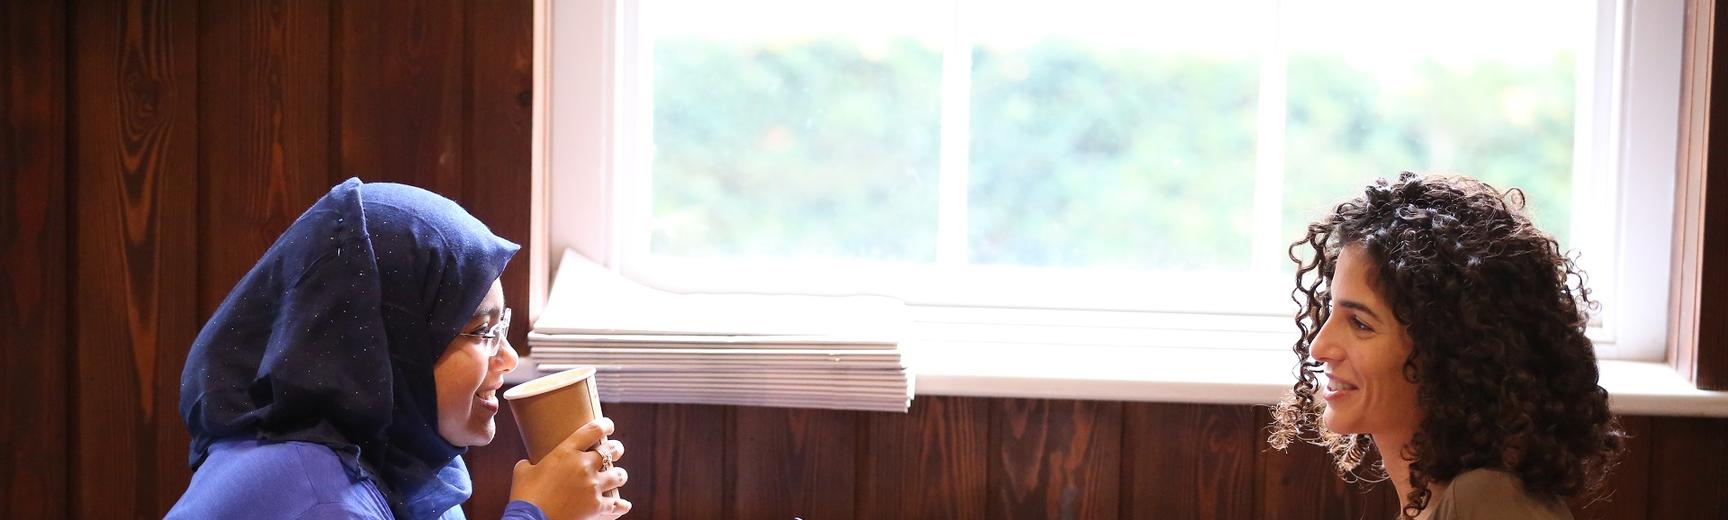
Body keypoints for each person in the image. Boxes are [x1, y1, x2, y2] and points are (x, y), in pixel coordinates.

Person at [167, 178, 630, 519]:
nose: (507, 359)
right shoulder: (319, 496)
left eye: (502, 326)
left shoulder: (394, 458)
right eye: (481, 331)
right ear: (388, 346)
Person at [1267, 172, 1624, 519]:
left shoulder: (1490, 501)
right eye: (1330, 311)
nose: (1319, 347)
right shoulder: (1451, 502)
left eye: (1360, 323)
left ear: (1452, 352)